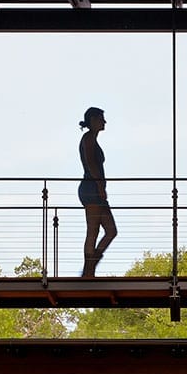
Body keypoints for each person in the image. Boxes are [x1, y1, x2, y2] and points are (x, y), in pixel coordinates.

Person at [77, 106, 116, 276]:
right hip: (91, 189)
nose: (104, 122)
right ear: (93, 120)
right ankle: (88, 270)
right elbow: (91, 163)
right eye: (101, 118)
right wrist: (100, 186)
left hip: (96, 190)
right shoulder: (87, 138)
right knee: (93, 229)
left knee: (111, 231)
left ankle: (91, 266)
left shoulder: (92, 138)